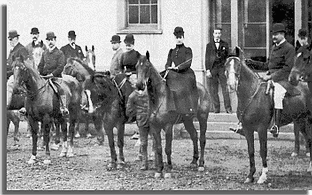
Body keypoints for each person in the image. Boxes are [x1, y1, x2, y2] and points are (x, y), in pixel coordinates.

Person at [232, 23, 296, 137]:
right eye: (273, 35)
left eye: (276, 35)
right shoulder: (274, 47)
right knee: (254, 92)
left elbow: (287, 68)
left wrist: (271, 77)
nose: (273, 37)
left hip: (283, 80)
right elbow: (268, 65)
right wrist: (252, 63)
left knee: (277, 94)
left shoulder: (289, 48)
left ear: (282, 34)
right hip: (271, 78)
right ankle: (244, 123)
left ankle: (275, 125)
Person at [164, 26, 198, 115]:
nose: (179, 40)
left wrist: (177, 68)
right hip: (175, 74)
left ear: (183, 38)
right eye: (177, 38)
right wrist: (168, 68)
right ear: (174, 38)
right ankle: (170, 107)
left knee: (185, 85)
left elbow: (188, 63)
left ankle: (189, 109)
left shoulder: (187, 50)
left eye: (180, 38)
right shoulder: (172, 51)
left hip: (186, 73)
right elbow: (167, 63)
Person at [38, 32, 68, 115]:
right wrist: (38, 73)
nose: (50, 42)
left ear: (55, 40)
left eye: (52, 40)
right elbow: (41, 65)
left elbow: (60, 67)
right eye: (48, 40)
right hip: (44, 77)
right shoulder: (45, 53)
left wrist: (52, 74)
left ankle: (63, 107)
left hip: (55, 77)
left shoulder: (60, 53)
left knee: (60, 89)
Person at [205, 27, 232, 114]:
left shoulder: (225, 44)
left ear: (221, 34)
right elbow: (207, 58)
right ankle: (216, 109)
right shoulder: (209, 45)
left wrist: (226, 69)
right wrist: (208, 70)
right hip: (213, 69)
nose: (217, 35)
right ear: (213, 34)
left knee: (225, 89)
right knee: (214, 90)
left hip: (222, 69)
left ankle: (228, 108)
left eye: (219, 33)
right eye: (216, 33)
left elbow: (228, 58)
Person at [126, 82, 150, 170]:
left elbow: (128, 110)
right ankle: (156, 162)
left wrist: (136, 115)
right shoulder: (149, 94)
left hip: (141, 119)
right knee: (155, 139)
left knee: (143, 141)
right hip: (151, 118)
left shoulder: (132, 96)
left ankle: (144, 163)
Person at [7, 30, 29, 109]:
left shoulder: (21, 49)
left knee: (10, 83)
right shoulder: (12, 50)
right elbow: (8, 64)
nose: (10, 41)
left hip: (18, 75)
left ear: (17, 38)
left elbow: (25, 65)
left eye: (12, 39)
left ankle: (6, 105)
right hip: (10, 73)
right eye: (9, 39)